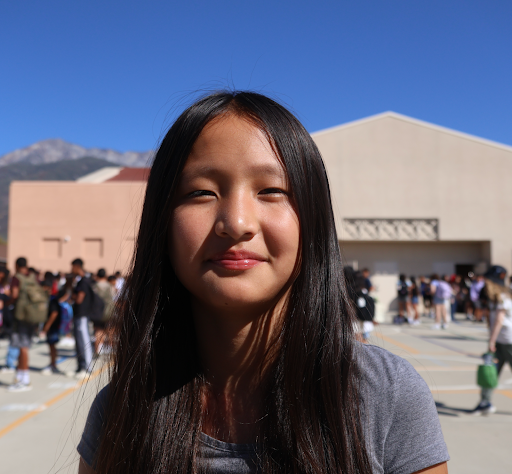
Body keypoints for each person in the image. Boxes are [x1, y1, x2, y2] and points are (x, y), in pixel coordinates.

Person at [77, 91, 449, 474]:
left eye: (272, 191)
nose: (237, 223)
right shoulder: (119, 412)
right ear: (162, 224)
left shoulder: (385, 394)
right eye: (201, 192)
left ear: (314, 221)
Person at [472, 266, 512, 415]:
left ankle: (485, 402)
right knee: (489, 372)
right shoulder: (495, 297)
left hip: (508, 341)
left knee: (491, 369)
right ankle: (485, 402)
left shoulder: (503, 297)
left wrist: (491, 341)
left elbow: (500, 320)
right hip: (500, 341)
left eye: (487, 279)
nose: (485, 282)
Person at [8, 257, 48, 391]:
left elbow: (14, 294)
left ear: (16, 265)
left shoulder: (17, 278)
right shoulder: (32, 276)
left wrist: (8, 302)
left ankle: (25, 380)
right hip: (32, 315)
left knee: (22, 347)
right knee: (24, 347)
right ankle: (20, 376)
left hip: (21, 315)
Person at [69, 258, 94, 379]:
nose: (71, 270)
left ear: (77, 267)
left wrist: (73, 297)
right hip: (78, 315)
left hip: (83, 315)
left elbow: (79, 299)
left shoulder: (84, 282)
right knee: (79, 341)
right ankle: (81, 366)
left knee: (84, 340)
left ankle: (87, 367)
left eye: (72, 267)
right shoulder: (80, 281)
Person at [40, 280, 63, 375]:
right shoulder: (50, 298)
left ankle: (53, 365)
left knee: (52, 345)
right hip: (52, 326)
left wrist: (47, 326)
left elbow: (54, 313)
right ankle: (53, 364)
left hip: (52, 326)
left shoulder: (52, 299)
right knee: (51, 345)